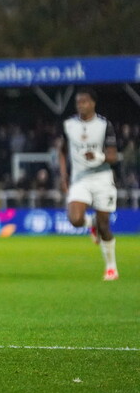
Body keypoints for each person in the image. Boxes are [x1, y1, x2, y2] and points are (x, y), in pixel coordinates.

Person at [58, 87, 119, 281]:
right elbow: (62, 151)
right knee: (75, 219)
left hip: (102, 178)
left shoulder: (104, 125)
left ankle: (111, 266)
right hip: (80, 178)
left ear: (93, 103)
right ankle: (89, 223)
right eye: (78, 102)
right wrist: (64, 176)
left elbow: (113, 156)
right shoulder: (68, 125)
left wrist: (98, 156)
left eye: (84, 101)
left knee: (105, 226)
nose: (81, 105)